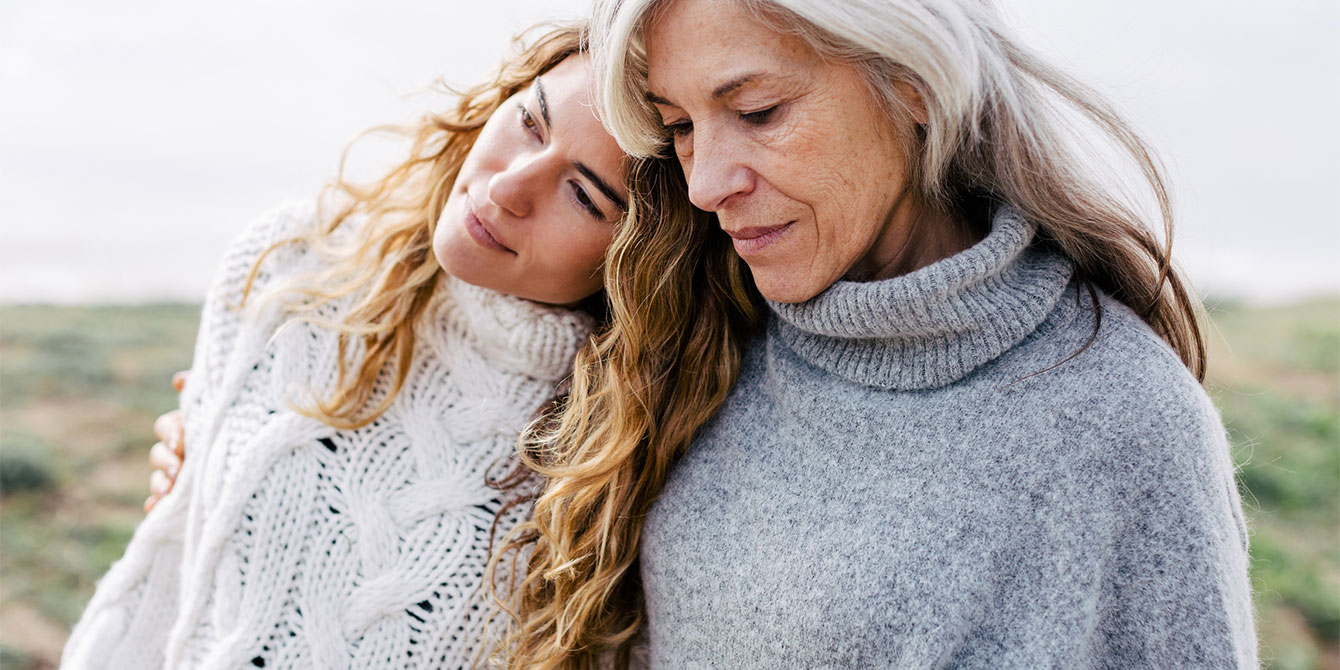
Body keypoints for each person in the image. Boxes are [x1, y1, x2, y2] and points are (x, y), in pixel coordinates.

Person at [493, 0, 1258, 667]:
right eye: (681, 126)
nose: (706, 183)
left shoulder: (1123, 420)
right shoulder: (701, 331)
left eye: (758, 113)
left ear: (913, 83)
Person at [63, 22, 692, 670]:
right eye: (531, 121)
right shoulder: (291, 266)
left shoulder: (619, 452)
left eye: (583, 194)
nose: (508, 188)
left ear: (640, 258)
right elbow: (170, 571)